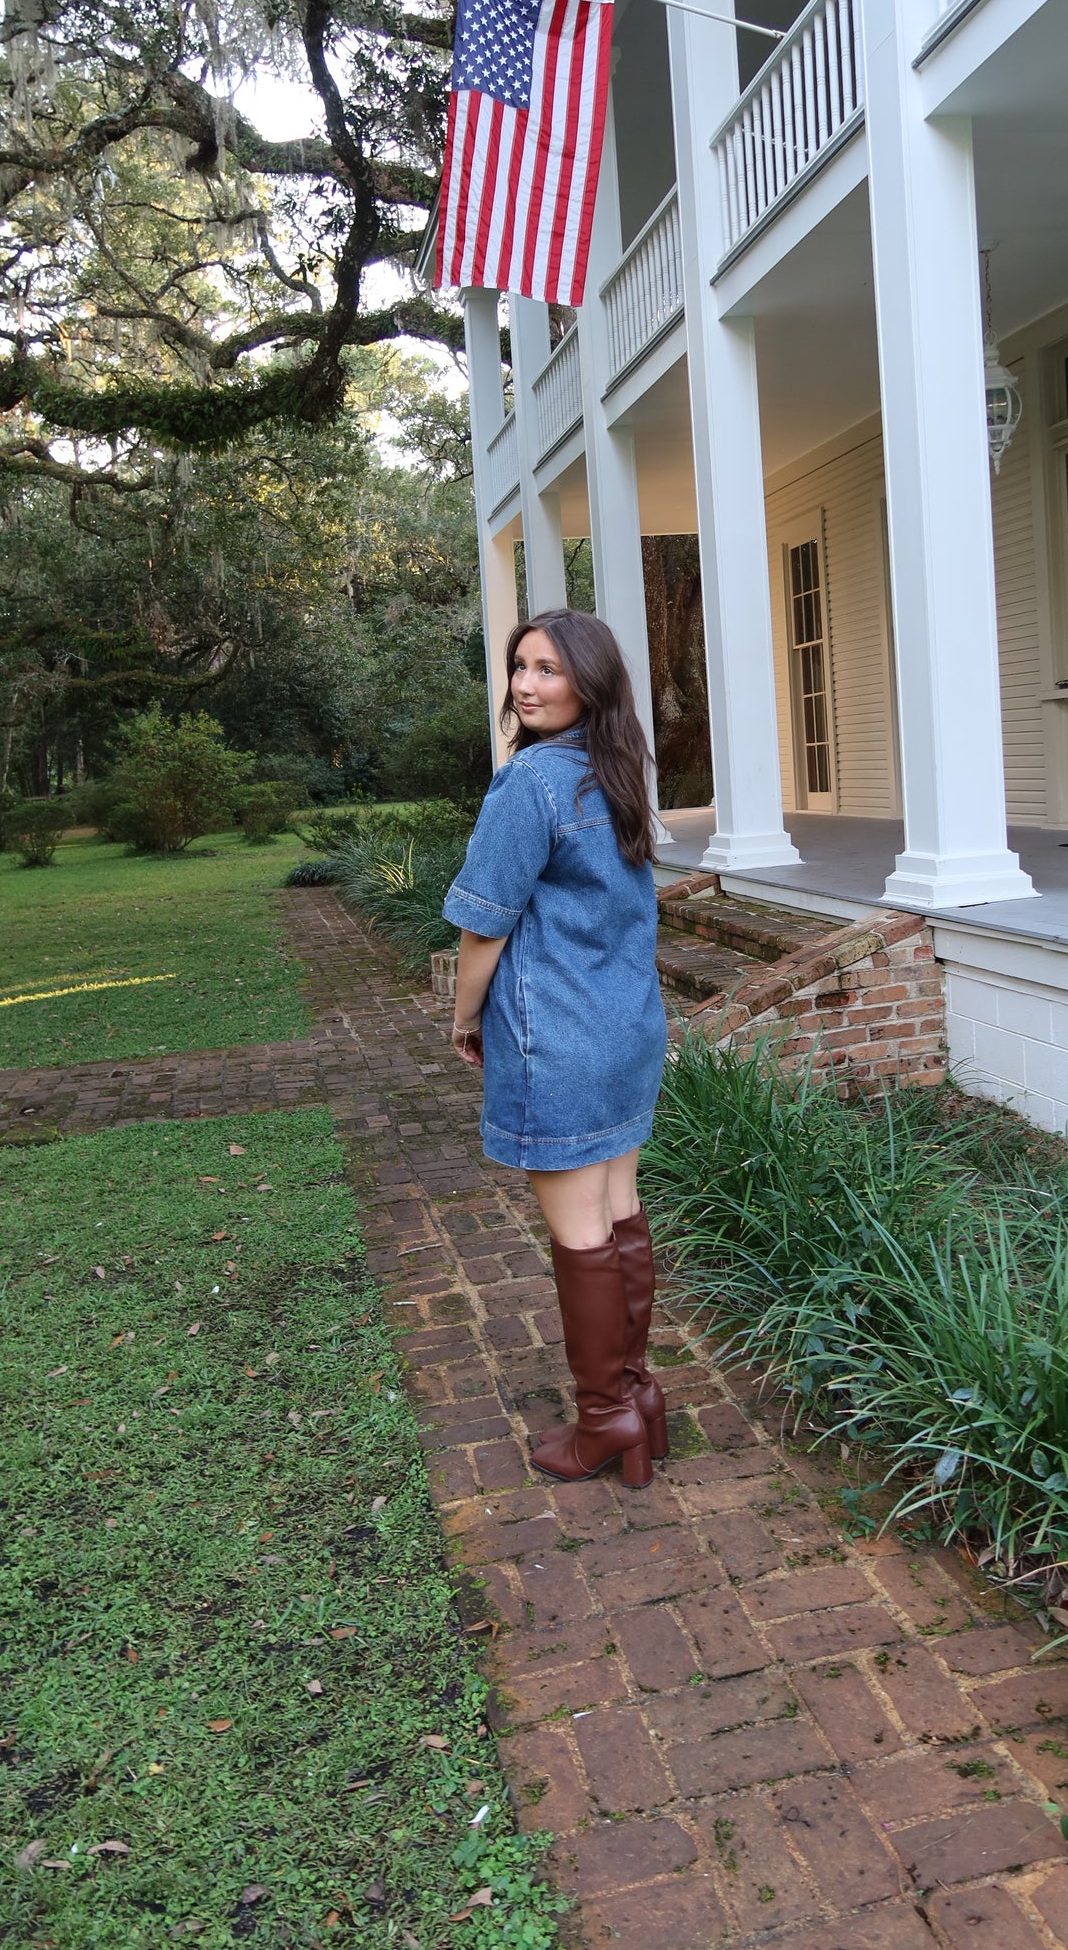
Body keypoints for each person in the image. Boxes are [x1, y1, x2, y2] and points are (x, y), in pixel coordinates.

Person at [443, 610, 669, 1491]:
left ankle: (605, 1419)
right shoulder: (615, 772)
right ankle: (637, 1395)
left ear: (589, 682)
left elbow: (482, 928)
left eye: (548, 669)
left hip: (561, 1036)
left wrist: (464, 1018)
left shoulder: (530, 783)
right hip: (625, 1029)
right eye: (519, 667)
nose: (526, 685)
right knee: (618, 1214)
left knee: (581, 1236)